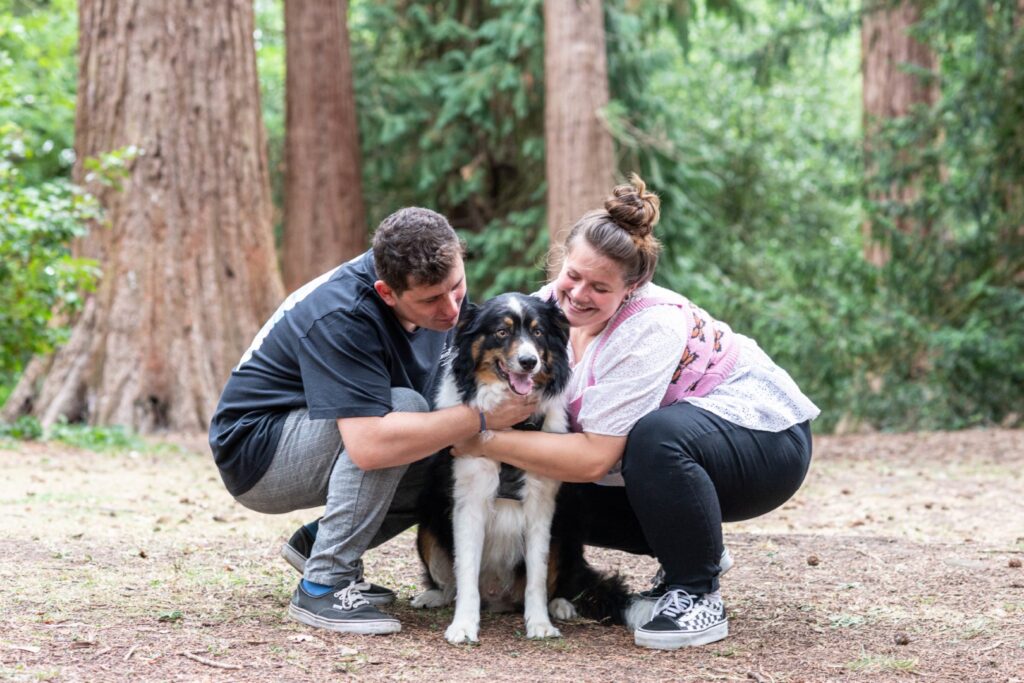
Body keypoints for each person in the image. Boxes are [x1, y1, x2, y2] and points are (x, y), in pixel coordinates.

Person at [451, 175, 820, 650]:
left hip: (765, 442)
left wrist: (479, 438)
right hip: (690, 457)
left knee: (654, 437)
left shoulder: (650, 326)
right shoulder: (542, 313)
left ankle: (697, 592)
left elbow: (593, 459)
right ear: (562, 260)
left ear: (632, 287)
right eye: (573, 275)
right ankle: (695, 545)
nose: (579, 293)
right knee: (560, 487)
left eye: (599, 287)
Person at [208, 207, 536, 635]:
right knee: (404, 412)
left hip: (322, 433)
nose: (452, 309)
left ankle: (315, 544)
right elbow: (370, 446)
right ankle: (324, 584)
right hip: (258, 451)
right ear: (387, 293)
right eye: (431, 300)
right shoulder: (342, 314)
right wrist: (480, 417)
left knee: (441, 458)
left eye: (457, 287)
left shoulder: (442, 300)